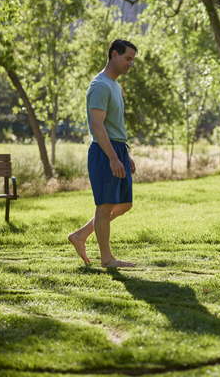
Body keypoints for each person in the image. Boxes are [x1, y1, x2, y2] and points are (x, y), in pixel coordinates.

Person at [68, 39, 138, 268]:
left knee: (124, 204)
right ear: (114, 55)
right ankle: (106, 259)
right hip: (104, 152)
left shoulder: (115, 86)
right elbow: (97, 126)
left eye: (132, 60)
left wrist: (124, 154)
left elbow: (113, 124)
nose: (130, 64)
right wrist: (113, 158)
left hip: (117, 148)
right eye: (128, 58)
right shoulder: (100, 85)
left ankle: (80, 235)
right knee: (105, 206)